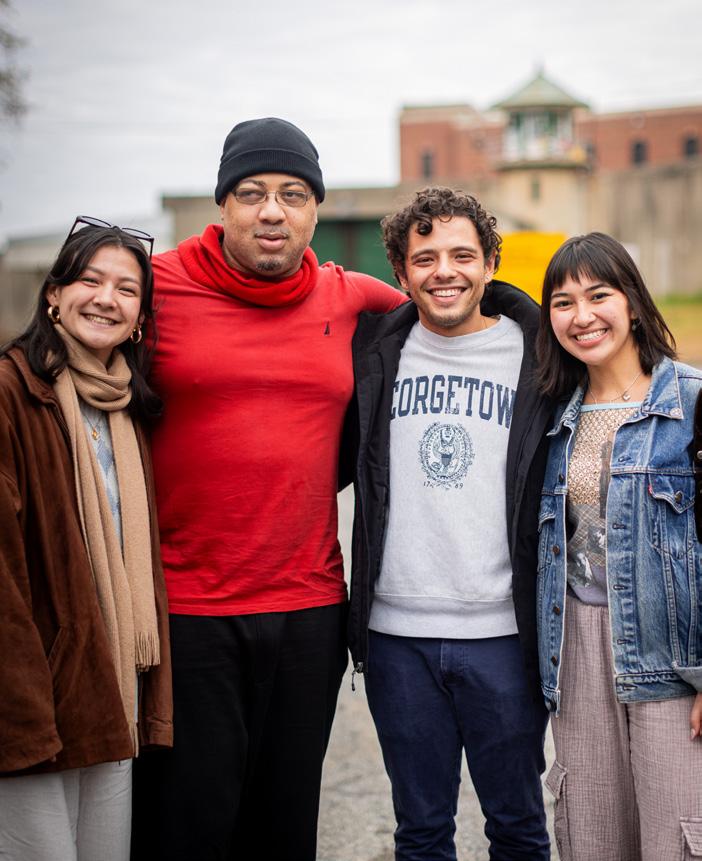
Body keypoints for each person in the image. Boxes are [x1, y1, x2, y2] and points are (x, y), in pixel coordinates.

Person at [130, 117, 405, 861]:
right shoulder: (155, 286)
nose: (272, 211)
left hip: (309, 610)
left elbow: (453, 312)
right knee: (187, 825)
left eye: (293, 194)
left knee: (284, 828)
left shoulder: (350, 296)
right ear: (223, 204)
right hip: (186, 611)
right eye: (251, 193)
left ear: (316, 209)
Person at [349, 187, 552, 860]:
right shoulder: (376, 354)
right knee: (421, 832)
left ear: (490, 263)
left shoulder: (540, 354)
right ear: (401, 273)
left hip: (503, 634)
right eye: (425, 258)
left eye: (463, 255)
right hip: (397, 636)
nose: (445, 271)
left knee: (518, 827)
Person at [0, 217, 172, 861]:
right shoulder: (12, 393)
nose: (106, 299)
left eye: (127, 290)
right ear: (54, 294)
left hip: (112, 688)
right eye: (90, 281)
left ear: (139, 318)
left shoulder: (127, 406)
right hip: (37, 697)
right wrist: (22, 710)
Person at [535, 232, 702, 860]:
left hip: (673, 653)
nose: (582, 316)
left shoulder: (691, 401)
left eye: (598, 295)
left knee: (677, 835)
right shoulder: (552, 416)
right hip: (576, 648)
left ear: (632, 301)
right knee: (592, 835)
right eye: (562, 302)